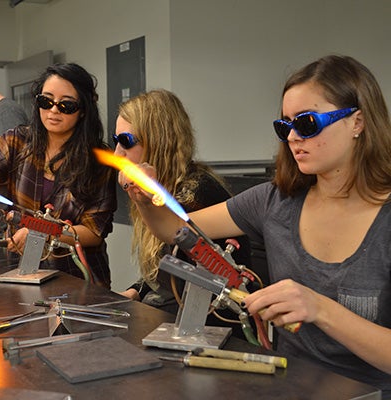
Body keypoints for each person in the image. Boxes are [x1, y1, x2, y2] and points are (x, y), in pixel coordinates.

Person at [123, 55, 391, 396]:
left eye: (307, 123)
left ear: (358, 122)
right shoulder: (272, 201)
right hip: (288, 385)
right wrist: (145, 198)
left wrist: (320, 309)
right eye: (285, 126)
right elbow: (176, 229)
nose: (293, 136)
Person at [0, 63, 117, 288]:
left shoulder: (99, 160)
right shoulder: (18, 141)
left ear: (83, 110)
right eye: (46, 101)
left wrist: (42, 232)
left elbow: (93, 232)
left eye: (66, 105)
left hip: (77, 280)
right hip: (22, 273)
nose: (53, 111)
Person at [115, 90, 253, 337]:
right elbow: (164, 270)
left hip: (214, 333)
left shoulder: (195, 194)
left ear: (158, 140)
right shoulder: (162, 188)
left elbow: (193, 288)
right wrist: (136, 291)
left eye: (126, 141)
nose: (117, 153)